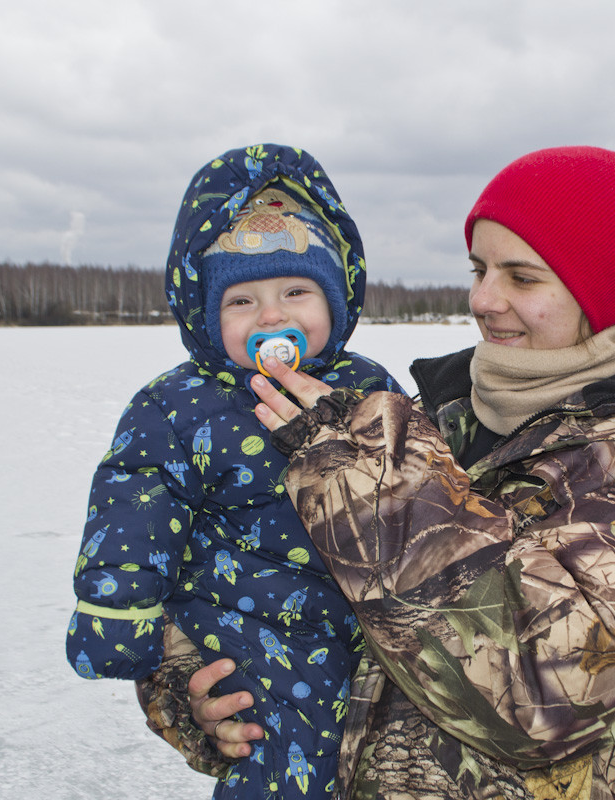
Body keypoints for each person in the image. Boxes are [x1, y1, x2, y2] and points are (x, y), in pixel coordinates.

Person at [141, 146, 615, 800]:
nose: (483, 298)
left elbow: (539, 695)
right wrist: (199, 697)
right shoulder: (418, 419)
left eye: (522, 278)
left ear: (602, 289)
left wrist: (352, 477)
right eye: (479, 268)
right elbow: (252, 574)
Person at [66, 143, 403, 800]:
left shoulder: (370, 386)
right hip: (243, 625)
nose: (272, 317)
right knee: (280, 759)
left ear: (337, 298)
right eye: (242, 301)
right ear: (204, 312)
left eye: (296, 292)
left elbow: (419, 483)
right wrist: (115, 616)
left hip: (358, 625)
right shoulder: (176, 405)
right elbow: (133, 507)